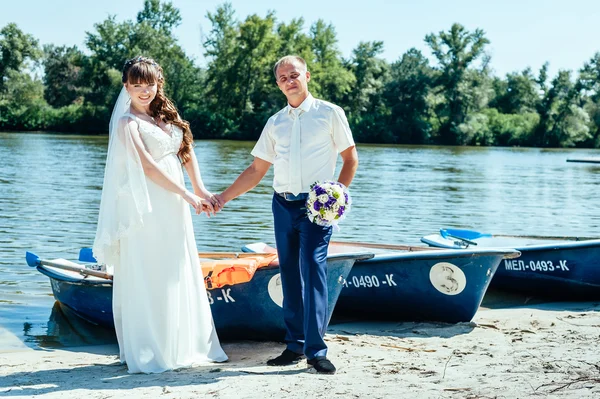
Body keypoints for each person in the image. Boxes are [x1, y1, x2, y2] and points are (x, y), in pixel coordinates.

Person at [215, 55, 358, 374]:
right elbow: (256, 170)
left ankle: (316, 350)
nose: (289, 81)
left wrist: (336, 195)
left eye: (294, 75)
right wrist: (223, 197)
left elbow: (350, 159)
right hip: (282, 204)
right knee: (290, 275)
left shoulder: (330, 113)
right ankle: (294, 345)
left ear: (307, 75)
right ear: (278, 84)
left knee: (313, 270)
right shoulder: (275, 123)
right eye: (282, 78)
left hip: (316, 206)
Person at [92, 56, 227, 374]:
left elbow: (186, 150)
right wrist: (187, 195)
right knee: (151, 269)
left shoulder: (168, 113)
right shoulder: (127, 123)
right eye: (136, 85)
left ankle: (184, 344)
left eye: (149, 83)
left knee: (176, 266)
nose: (144, 90)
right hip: (147, 206)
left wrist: (201, 190)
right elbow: (148, 168)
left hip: (176, 201)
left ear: (158, 83)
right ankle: (152, 348)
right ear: (126, 86)